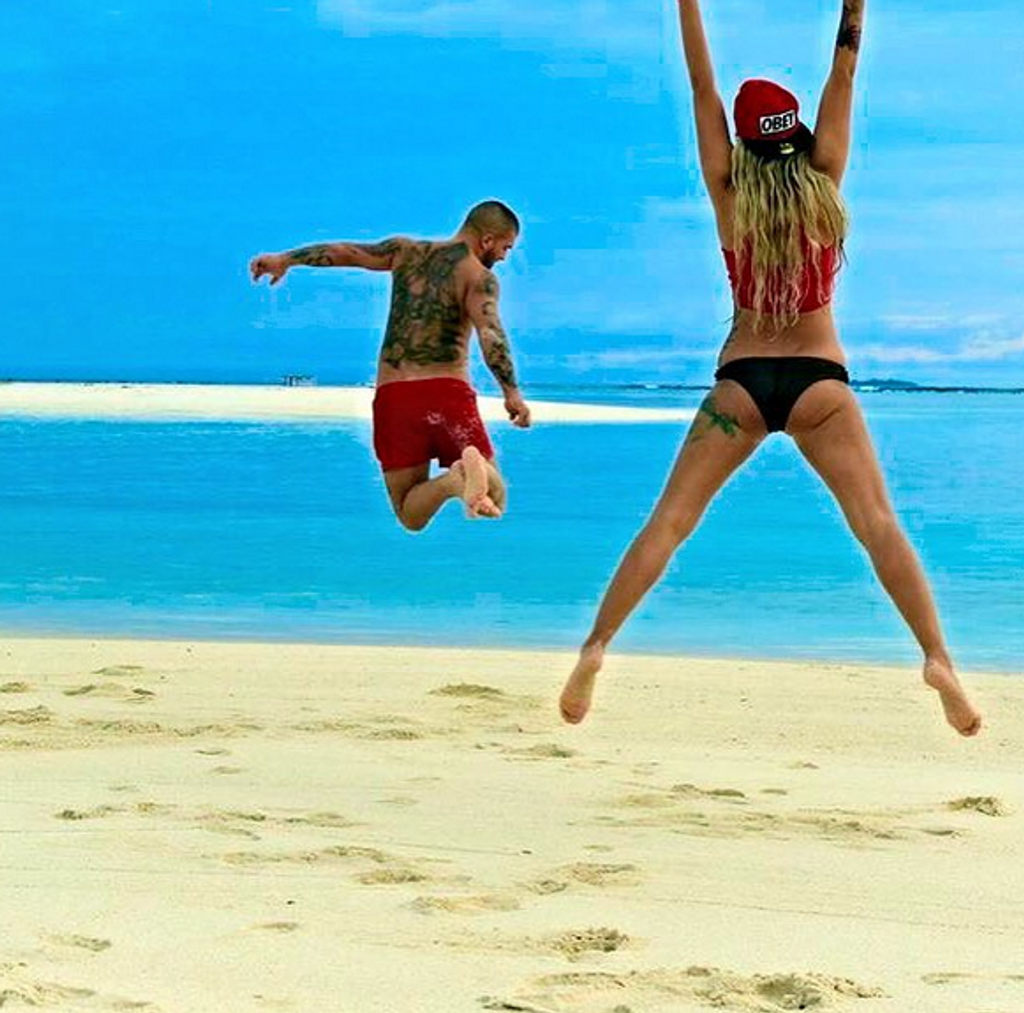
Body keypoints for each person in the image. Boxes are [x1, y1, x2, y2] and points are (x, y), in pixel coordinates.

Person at [559, 0, 982, 737]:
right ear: (798, 134)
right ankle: (937, 657)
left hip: (742, 383)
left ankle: (597, 646)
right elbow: (844, 71)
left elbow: (701, 86)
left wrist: (687, 5)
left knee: (670, 523)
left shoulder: (730, 196)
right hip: (820, 383)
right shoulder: (826, 181)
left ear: (746, 144)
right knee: (878, 525)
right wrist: (854, 6)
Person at [250, 200, 531, 530]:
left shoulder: (404, 251)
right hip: (447, 392)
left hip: (395, 397)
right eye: (505, 248)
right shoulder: (479, 277)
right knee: (496, 495)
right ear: (487, 239)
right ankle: (468, 473)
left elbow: (346, 253)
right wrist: (511, 393)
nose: (504, 257)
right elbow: (490, 333)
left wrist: (285, 259)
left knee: (409, 513)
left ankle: (452, 484)